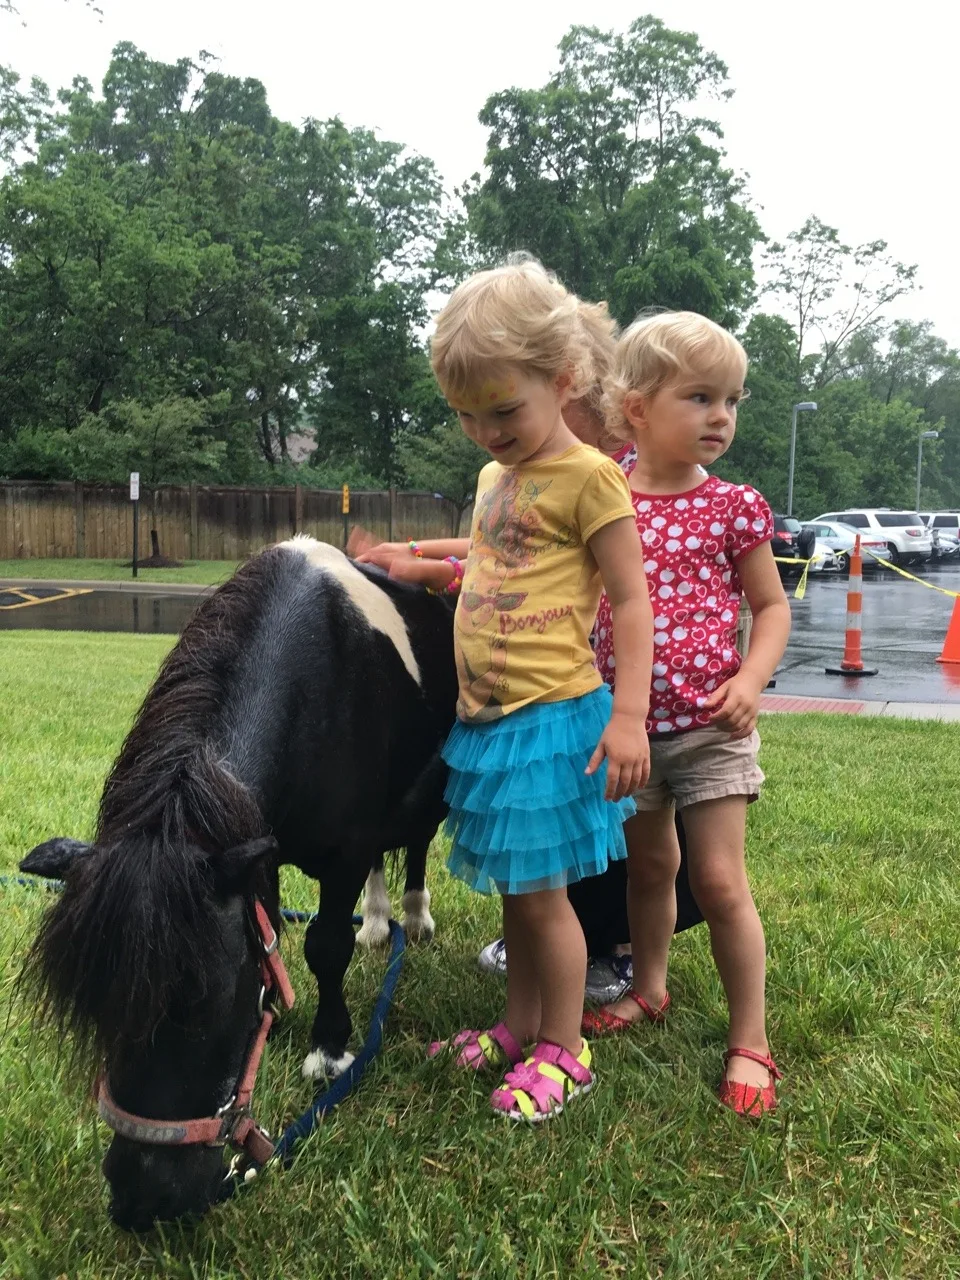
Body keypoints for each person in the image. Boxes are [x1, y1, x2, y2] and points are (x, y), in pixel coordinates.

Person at [378, 257, 655, 1121]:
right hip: (488, 720)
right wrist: (423, 568)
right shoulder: (496, 478)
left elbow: (633, 599)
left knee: (545, 903)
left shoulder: (591, 477)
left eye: (504, 410)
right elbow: (491, 566)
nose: (486, 431)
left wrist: (632, 720)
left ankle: (564, 1052)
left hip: (551, 721)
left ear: (562, 378)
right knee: (518, 897)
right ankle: (518, 1024)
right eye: (466, 414)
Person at [582, 311, 791, 1118]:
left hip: (711, 729)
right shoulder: (602, 493)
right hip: (625, 729)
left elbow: (770, 608)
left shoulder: (733, 507)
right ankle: (651, 987)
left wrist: (752, 679)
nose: (721, 418)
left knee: (717, 879)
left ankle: (751, 1038)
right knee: (650, 871)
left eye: (732, 401)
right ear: (635, 406)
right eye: (700, 397)